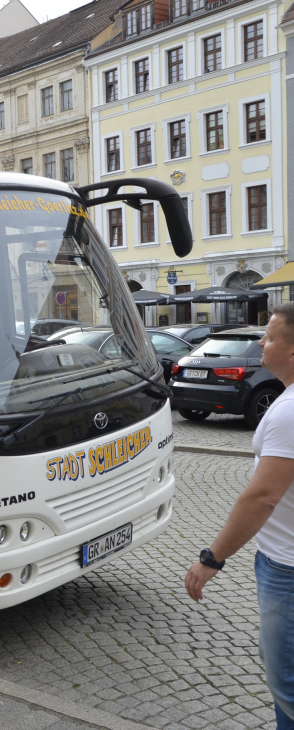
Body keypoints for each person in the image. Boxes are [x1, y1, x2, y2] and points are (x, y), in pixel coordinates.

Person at [185, 302, 294, 730]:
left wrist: (212, 558)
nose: (261, 342)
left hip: (286, 567)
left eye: (269, 336)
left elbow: (263, 496)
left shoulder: (288, 412)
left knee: (286, 681)